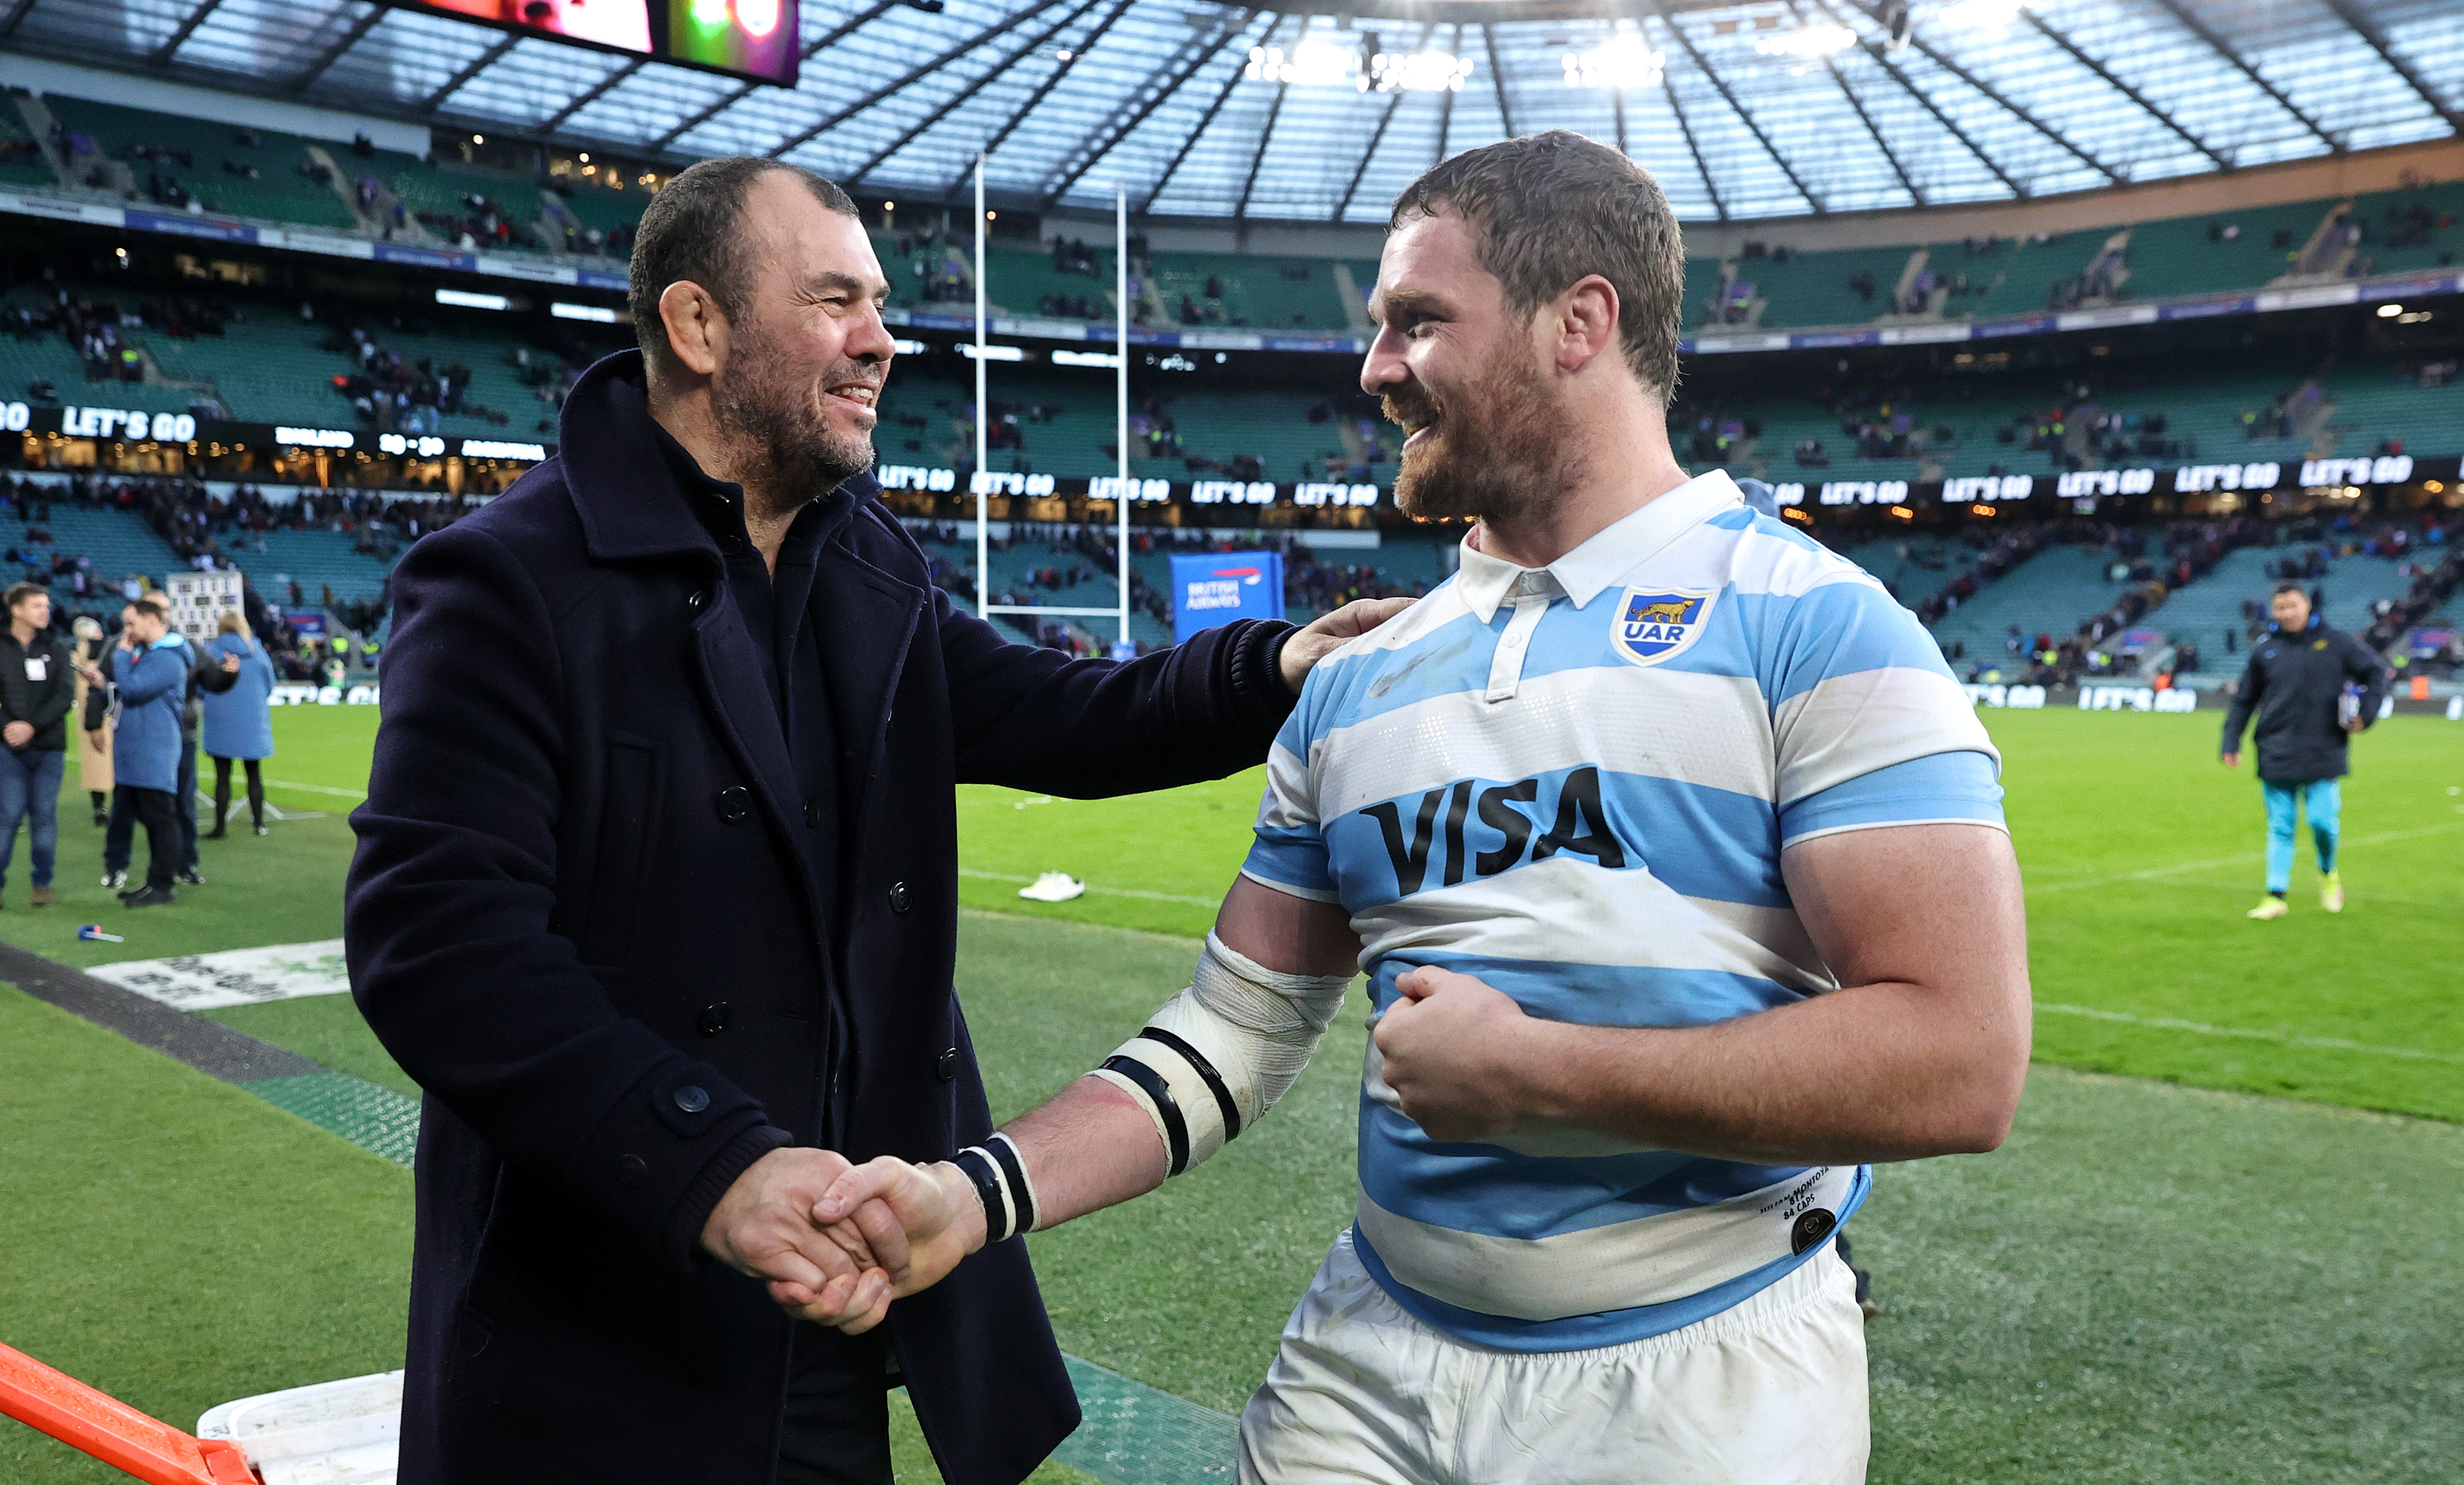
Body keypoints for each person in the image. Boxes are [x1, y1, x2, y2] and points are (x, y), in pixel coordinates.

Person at [818, 132, 2032, 1485]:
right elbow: (1232, 1030)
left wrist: (1543, 1072)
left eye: (1416, 321)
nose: (1374, 367)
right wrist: (968, 1194)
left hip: (1702, 1381)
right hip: (1367, 1362)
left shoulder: (1815, 623)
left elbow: (1960, 1056)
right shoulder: (1359, 680)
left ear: (1579, 321)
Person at [342, 155, 1406, 1485]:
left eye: (880, 300)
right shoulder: (506, 579)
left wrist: (1271, 667)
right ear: (697, 325)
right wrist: (714, 1166)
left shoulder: (866, 562)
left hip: (829, 1303)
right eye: (835, 297)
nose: (880, 338)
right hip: (599, 1325)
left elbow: (1061, 715)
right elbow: (439, 942)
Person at [2220, 580, 2389, 919]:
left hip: (2323, 747)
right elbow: (2245, 700)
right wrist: (2231, 740)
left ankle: (2328, 873)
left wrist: (2366, 714)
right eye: (2280, 607)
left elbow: (2376, 671)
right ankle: (2275, 896)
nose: (2286, 613)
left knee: (2322, 822)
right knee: (2281, 826)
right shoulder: (2265, 649)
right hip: (2275, 748)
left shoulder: (2338, 643)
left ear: (2308, 606)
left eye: (2292, 606)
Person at [81, 598, 186, 907]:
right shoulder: (153, 656)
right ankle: (154, 882)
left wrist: (123, 659)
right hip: (138, 750)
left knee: (161, 818)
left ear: (152, 620)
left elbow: (137, 689)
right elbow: (129, 690)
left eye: (131, 623)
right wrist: (106, 683)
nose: (126, 632)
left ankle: (164, 885)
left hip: (154, 750)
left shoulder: (169, 658)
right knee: (149, 818)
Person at [0, 583, 74, 908]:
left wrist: (31, 726)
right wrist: (8, 729)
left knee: (44, 816)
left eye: (46, 605)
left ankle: (42, 883)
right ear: (16, 610)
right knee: (7, 817)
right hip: (7, 749)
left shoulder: (56, 649)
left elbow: (64, 696)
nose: (45, 611)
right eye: (37, 606)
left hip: (48, 748)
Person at [201, 609, 276, 838]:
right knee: (254, 774)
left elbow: (201, 686)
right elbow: (270, 684)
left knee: (222, 776)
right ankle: (259, 824)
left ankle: (220, 827)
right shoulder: (257, 651)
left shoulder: (212, 652)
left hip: (220, 720)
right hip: (253, 720)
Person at [70, 614, 112, 827]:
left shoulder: (75, 657)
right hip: (107, 714)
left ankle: (100, 808)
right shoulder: (103, 657)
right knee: (111, 762)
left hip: (85, 716)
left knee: (95, 765)